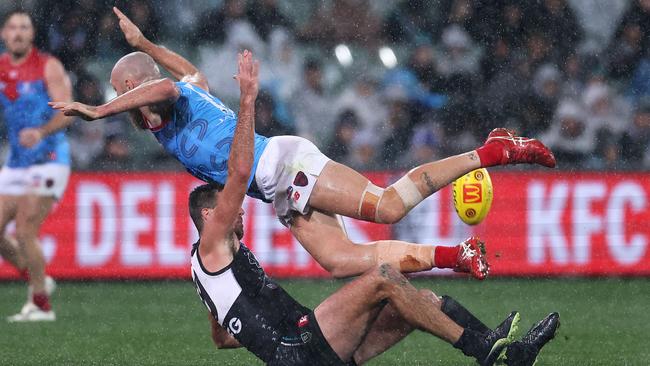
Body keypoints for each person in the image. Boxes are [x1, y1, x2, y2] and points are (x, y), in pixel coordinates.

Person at [52, 8, 556, 281]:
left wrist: (96, 110)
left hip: (285, 163)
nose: (124, 101)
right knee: (339, 261)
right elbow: (184, 70)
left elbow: (167, 82)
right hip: (276, 188)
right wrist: (143, 44)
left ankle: (492, 150)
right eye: (120, 97)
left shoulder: (171, 96)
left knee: (384, 207)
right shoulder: (182, 96)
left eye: (124, 91)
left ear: (137, 87)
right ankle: (456, 254)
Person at [189, 51, 560, 366]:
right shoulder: (213, 246)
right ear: (208, 216)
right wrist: (248, 98)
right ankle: (485, 350)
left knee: (414, 300)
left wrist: (263, 338)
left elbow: (221, 338)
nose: (239, 211)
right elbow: (239, 171)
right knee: (384, 268)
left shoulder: (208, 267)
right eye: (226, 209)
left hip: (311, 344)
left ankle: (510, 354)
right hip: (299, 349)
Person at [0, 10, 73, 322]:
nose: (18, 33)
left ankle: (41, 305)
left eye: (24, 27)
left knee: (26, 227)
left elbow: (68, 110)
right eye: (13, 28)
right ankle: (40, 280)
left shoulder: (47, 66)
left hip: (50, 159)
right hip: (16, 163)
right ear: (4, 34)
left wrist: (41, 132)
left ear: (32, 34)